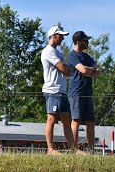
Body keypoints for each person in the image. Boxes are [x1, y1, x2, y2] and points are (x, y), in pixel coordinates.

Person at [41, 23, 77, 155]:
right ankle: (50, 149)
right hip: (52, 90)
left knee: (67, 120)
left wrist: (67, 68)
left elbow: (67, 70)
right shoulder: (48, 51)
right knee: (51, 119)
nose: (63, 38)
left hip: (61, 91)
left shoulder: (59, 53)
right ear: (54, 36)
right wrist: (67, 68)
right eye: (61, 36)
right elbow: (64, 69)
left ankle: (74, 149)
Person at [67, 31, 100, 154]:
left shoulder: (87, 56)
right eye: (85, 40)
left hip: (88, 92)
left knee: (91, 121)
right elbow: (83, 70)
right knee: (76, 120)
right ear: (78, 42)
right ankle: (73, 149)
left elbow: (98, 72)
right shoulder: (72, 56)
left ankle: (91, 150)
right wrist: (90, 70)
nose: (88, 42)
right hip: (76, 92)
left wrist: (89, 70)